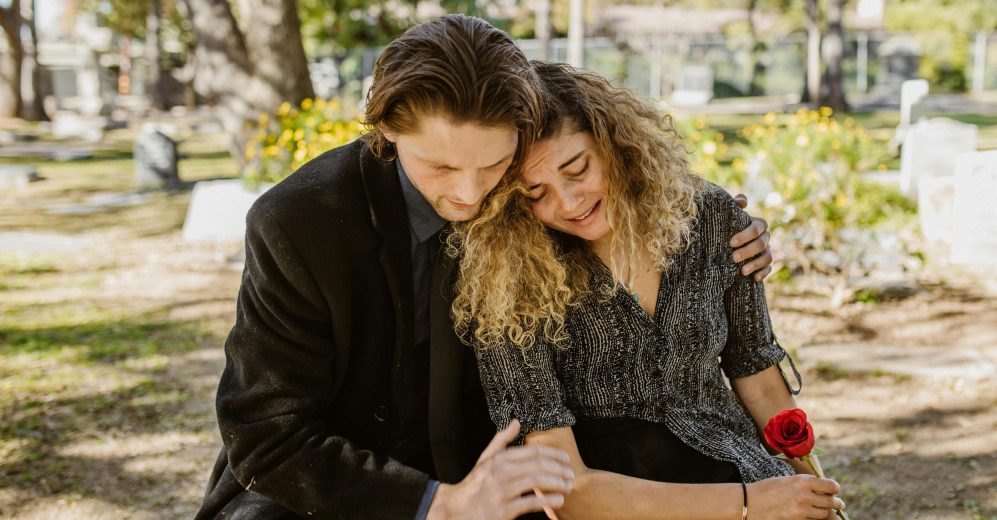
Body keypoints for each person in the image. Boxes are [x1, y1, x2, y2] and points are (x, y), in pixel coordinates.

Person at [195, 15, 775, 520]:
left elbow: (627, 184)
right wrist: (434, 506)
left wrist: (728, 223)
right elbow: (265, 436)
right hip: (337, 490)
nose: (470, 194)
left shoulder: (529, 197)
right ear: (386, 132)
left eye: (494, 163)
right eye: (440, 167)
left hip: (495, 474)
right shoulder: (300, 221)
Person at [451, 62, 846, 520]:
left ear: (613, 144)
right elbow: (563, 487)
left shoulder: (712, 218)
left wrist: (810, 488)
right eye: (536, 193)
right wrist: (746, 505)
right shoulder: (505, 279)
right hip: (616, 496)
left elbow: (755, 369)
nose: (569, 201)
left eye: (577, 169)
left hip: (728, 459)